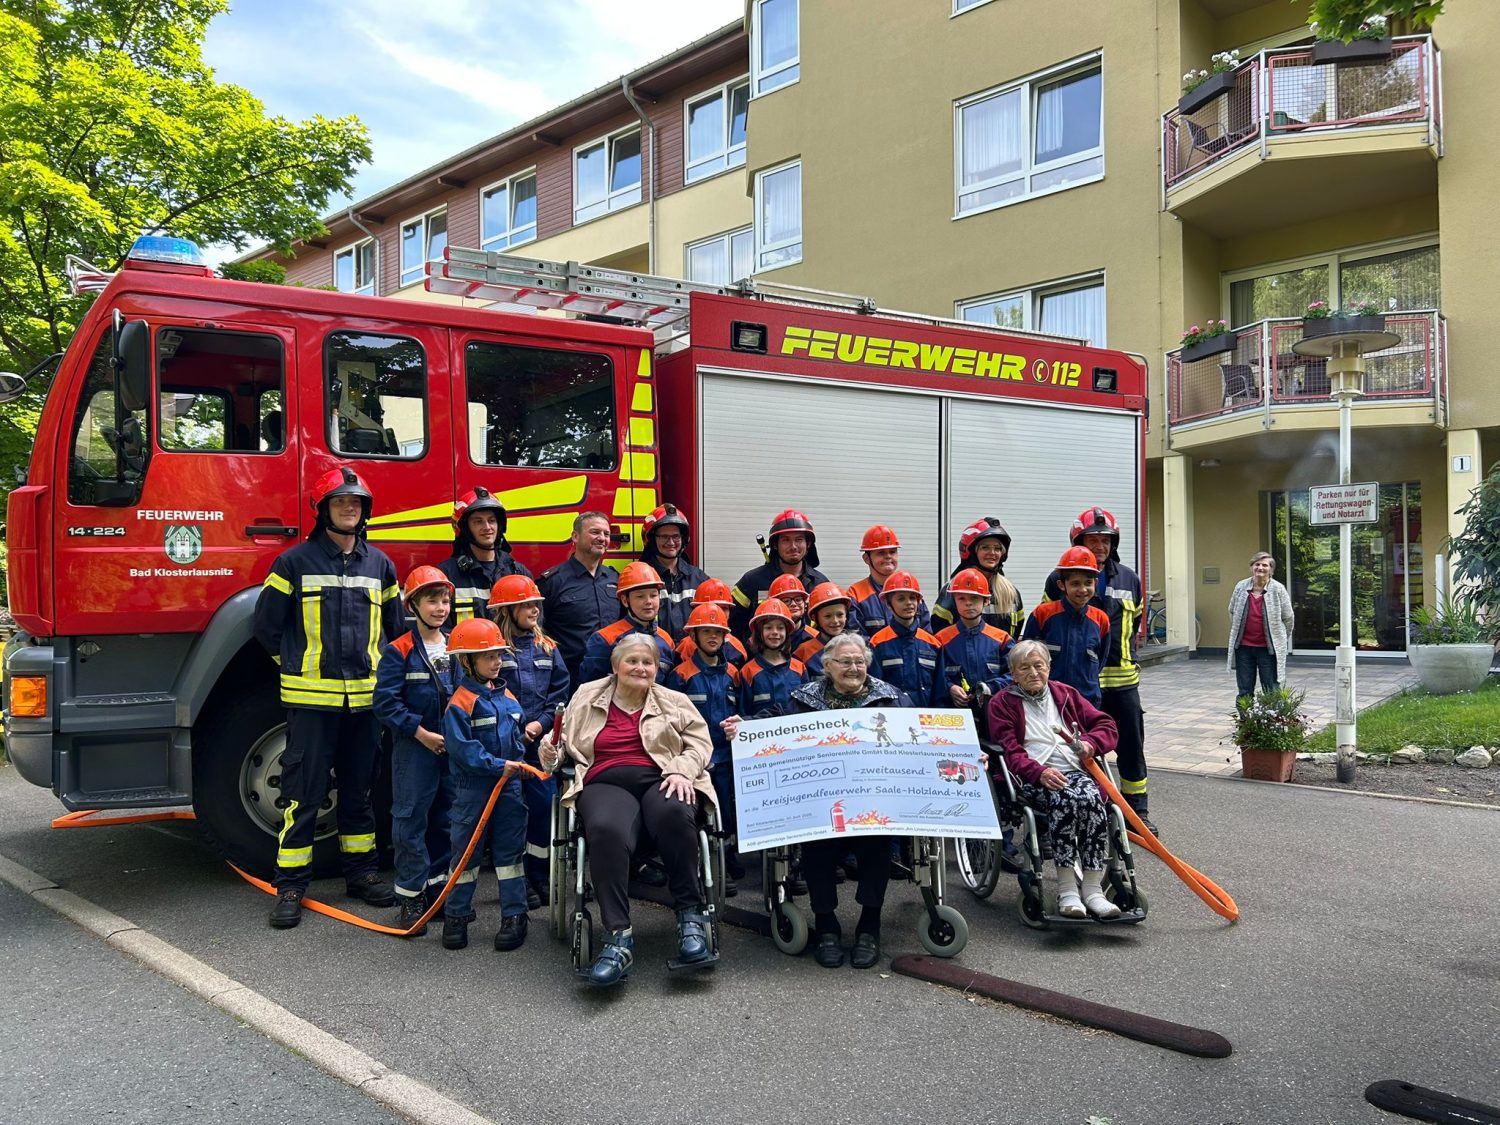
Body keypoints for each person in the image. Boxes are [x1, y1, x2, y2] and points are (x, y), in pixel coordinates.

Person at [254, 467, 403, 929]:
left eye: (355, 504)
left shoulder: (381, 565)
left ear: (365, 512)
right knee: (304, 794)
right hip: (311, 702)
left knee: (359, 793)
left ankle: (360, 875)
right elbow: (266, 627)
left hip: (365, 703)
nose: (348, 509)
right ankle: (292, 885)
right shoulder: (292, 563)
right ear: (323, 510)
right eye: (340, 502)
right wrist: (296, 667)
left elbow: (396, 633)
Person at [539, 634, 720, 987]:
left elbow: (701, 743)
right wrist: (549, 752)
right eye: (632, 661)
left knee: (676, 812)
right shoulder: (587, 695)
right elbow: (561, 749)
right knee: (605, 828)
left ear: (656, 668)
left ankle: (690, 918)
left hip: (662, 776)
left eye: (648, 662)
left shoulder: (673, 701)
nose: (640, 668)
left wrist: (683, 767)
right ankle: (618, 936)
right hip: (604, 780)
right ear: (615, 666)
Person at [787, 632, 913, 969]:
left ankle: (870, 925)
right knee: (818, 843)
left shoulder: (893, 699)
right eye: (844, 661)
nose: (853, 667)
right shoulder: (803, 699)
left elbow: (922, 737)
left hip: (875, 798)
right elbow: (777, 732)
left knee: (878, 840)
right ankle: (826, 924)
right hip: (823, 800)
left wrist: (964, 752)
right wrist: (744, 727)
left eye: (859, 661)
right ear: (827, 666)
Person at [986, 640, 1121, 919]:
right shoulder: (1001, 704)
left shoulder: (1066, 694)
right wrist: (1039, 772)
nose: (1033, 672)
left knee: (1092, 798)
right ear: (1012, 673)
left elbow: (1106, 725)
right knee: (1065, 798)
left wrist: (1090, 744)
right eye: (1024, 667)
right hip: (1031, 775)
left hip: (1074, 770)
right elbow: (1010, 751)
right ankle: (1068, 890)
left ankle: (1093, 891)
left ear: (1049, 667)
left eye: (1039, 665)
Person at [1044, 508, 1155, 835]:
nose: (1100, 545)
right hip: (1077, 685)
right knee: (1076, 749)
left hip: (1122, 681)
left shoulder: (1129, 578)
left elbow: (1134, 624)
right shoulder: (1058, 578)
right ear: (1079, 540)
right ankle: (1091, 809)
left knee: (1131, 747)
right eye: (1093, 539)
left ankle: (1138, 813)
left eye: (1106, 540)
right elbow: (1049, 621)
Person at [373, 565, 460, 934]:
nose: (440, 608)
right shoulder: (400, 650)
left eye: (444, 600)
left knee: (446, 820)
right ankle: (410, 896)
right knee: (410, 821)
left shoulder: (458, 644)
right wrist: (421, 733)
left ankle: (437, 892)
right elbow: (385, 703)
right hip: (416, 749)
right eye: (431, 600)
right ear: (413, 604)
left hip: (451, 749)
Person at [440, 619, 530, 952]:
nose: (497, 662)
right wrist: (498, 765)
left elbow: (516, 737)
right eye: (489, 656)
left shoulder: (506, 695)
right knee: (465, 857)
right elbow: (463, 750)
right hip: (473, 790)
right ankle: (456, 916)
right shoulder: (460, 704)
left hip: (508, 789)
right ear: (467, 662)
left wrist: (519, 760)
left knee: (509, 856)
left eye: (498, 655)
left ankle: (515, 916)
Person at [488, 574, 570, 909]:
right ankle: (516, 881)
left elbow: (560, 694)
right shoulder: (492, 650)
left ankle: (539, 874)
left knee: (541, 811)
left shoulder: (548, 648)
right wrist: (513, 727)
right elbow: (483, 694)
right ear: (507, 610)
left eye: (535, 603)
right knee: (509, 814)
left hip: (539, 745)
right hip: (504, 746)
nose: (534, 609)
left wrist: (540, 724)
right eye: (526, 604)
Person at [664, 603, 744, 893]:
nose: (713, 637)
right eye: (706, 631)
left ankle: (727, 859)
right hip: (696, 760)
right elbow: (672, 722)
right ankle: (703, 865)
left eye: (718, 632)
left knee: (727, 811)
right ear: (693, 636)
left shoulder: (734, 673)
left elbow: (743, 713)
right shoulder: (681, 675)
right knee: (698, 815)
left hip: (726, 757)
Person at [1022, 547, 1111, 707]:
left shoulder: (1101, 619)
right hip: (1046, 701)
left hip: (1086, 702)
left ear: (1095, 583)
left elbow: (1101, 658)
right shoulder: (1043, 614)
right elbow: (1025, 655)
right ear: (1062, 585)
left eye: (1088, 583)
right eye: (1075, 583)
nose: (1083, 589)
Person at [538, 512, 619, 687]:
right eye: (595, 532)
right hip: (570, 680)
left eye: (606, 534)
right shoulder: (553, 582)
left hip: (613, 678)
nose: (602, 538)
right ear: (575, 536)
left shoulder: (615, 579)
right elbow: (537, 633)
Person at [729, 509, 831, 637]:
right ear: (775, 545)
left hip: (808, 655)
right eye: (786, 540)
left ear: (808, 543)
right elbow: (732, 624)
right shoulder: (752, 581)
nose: (793, 546)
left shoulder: (821, 584)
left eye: (799, 539)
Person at [438, 487, 531, 627]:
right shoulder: (447, 575)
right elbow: (440, 632)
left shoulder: (518, 572)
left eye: (492, 520)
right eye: (478, 522)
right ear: (464, 529)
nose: (487, 527)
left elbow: (534, 626)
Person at [578, 561, 676, 684]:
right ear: (625, 601)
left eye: (653, 595)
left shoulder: (666, 641)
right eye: (640, 596)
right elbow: (589, 688)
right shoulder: (604, 639)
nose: (648, 601)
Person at [936, 568, 1014, 716]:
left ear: (986, 600)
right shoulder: (940, 639)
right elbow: (932, 676)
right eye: (962, 599)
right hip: (954, 716)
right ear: (954, 601)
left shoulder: (1002, 639)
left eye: (974, 598)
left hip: (993, 715)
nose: (968, 604)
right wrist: (949, 688)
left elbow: (1015, 674)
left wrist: (989, 688)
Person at [932, 517, 1024, 635]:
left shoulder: (1011, 592)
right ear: (972, 552)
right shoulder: (952, 590)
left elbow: (1016, 633)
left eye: (997, 548)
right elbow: (939, 633)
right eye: (985, 547)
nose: (992, 553)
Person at [868, 571, 947, 707]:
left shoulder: (933, 644)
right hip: (893, 720)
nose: (909, 603)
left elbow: (940, 693)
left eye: (912, 598)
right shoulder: (877, 643)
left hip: (926, 720)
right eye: (901, 599)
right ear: (888, 604)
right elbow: (874, 692)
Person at [1227, 551, 1295, 699]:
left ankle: (1273, 720)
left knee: (1271, 688)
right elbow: (1232, 610)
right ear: (1252, 567)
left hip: (1268, 649)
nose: (1260, 568)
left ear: (1271, 569)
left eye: (1265, 565)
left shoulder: (1278, 589)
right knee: (1244, 689)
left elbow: (1288, 618)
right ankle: (1246, 720)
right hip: (1244, 648)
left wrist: (1280, 638)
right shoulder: (1241, 586)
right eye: (1257, 564)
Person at [640, 504, 709, 643]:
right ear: (652, 540)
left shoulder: (699, 578)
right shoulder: (641, 578)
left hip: (691, 657)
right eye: (664, 536)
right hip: (655, 656)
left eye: (676, 536)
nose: (671, 542)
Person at [846, 525, 930, 636]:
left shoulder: (910, 589)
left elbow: (927, 636)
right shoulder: (856, 594)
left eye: (892, 551)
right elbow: (855, 640)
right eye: (881, 552)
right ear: (866, 558)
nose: (888, 556)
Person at [739, 597, 808, 718]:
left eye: (780, 628)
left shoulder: (800, 668)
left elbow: (808, 708)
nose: (775, 632)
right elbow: (743, 714)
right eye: (768, 627)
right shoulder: (748, 672)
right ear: (759, 633)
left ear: (787, 632)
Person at [675, 579, 750, 667]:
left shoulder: (737, 647)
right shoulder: (685, 647)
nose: (719, 612)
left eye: (724, 608)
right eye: (714, 606)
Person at [794, 582, 856, 677]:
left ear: (846, 616)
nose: (835, 621)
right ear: (815, 618)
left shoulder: (857, 648)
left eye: (840, 615)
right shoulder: (803, 652)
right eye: (828, 616)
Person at [769, 572, 817, 654]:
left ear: (805, 604)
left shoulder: (815, 638)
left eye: (798, 599)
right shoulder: (764, 638)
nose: (794, 604)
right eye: (787, 601)